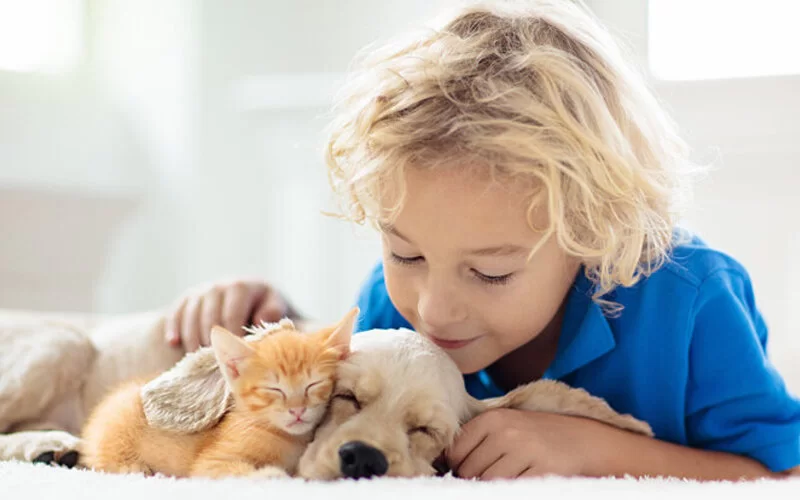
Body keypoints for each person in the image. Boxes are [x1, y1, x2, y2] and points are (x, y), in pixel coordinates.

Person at [163, 0, 800, 481]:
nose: (433, 309)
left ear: (591, 234)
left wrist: (588, 449)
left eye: (490, 273)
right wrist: (269, 318)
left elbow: (778, 476)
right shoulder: (399, 315)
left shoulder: (691, 300)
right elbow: (336, 398)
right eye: (405, 254)